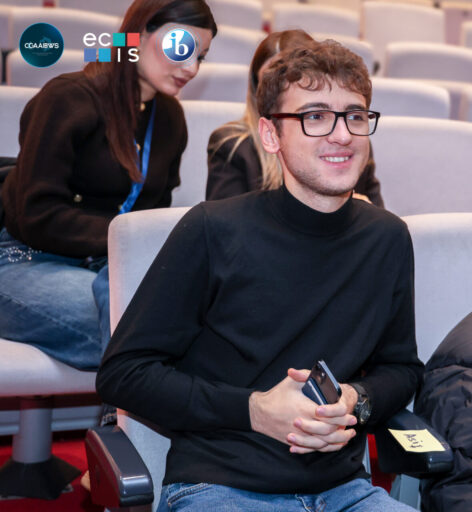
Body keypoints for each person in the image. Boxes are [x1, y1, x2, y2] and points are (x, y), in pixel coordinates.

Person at [96, 40, 422, 511]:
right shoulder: (212, 229)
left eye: (354, 116)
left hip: (346, 492)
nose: (342, 134)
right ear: (270, 135)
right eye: (315, 116)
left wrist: (356, 398)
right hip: (219, 488)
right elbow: (123, 374)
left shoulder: (388, 237)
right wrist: (254, 411)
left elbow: (402, 369)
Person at [0, 0, 216, 370]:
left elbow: (151, 216)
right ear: (139, 34)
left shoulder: (170, 118)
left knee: (164, 320)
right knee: (134, 326)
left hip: (108, 264)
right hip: (24, 256)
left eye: (201, 57)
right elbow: (37, 216)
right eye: (181, 49)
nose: (191, 68)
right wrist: (124, 240)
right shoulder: (68, 97)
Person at [206, 29, 384, 207]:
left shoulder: (352, 142)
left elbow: (375, 213)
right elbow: (228, 220)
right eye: (268, 81)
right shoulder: (232, 146)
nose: (343, 136)